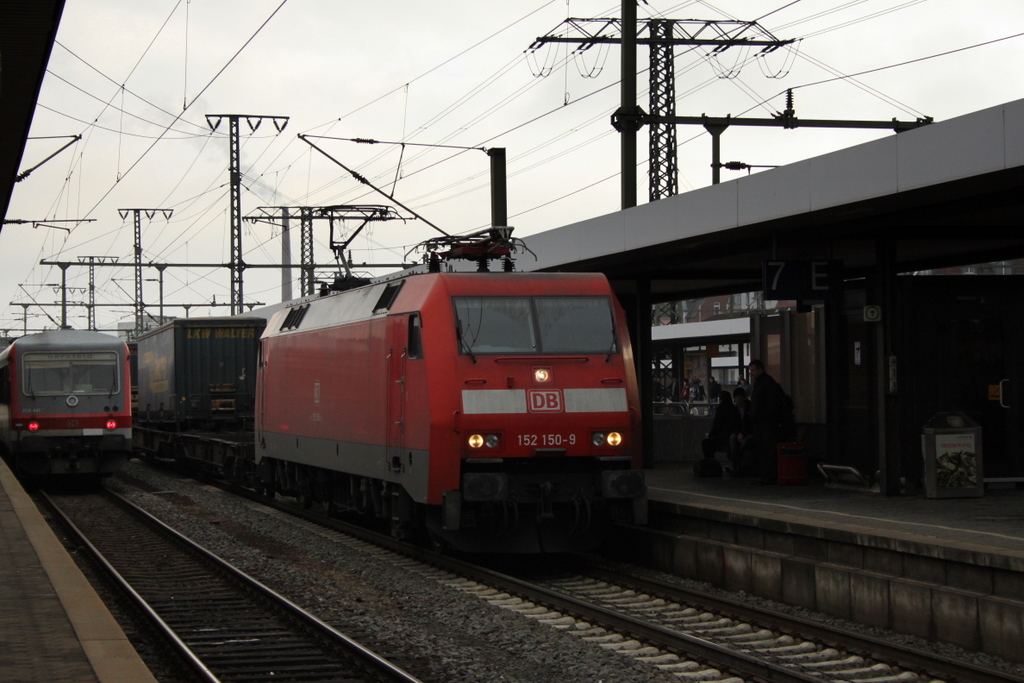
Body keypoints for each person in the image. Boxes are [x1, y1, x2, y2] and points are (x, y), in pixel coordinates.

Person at [747, 359, 786, 484]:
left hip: (766, 423)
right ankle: (766, 475)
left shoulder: (766, 383)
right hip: (761, 423)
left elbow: (770, 405)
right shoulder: (762, 383)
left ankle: (769, 476)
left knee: (767, 450)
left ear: (760, 369)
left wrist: (759, 416)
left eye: (753, 370)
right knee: (763, 450)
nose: (751, 373)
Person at [700, 390, 741, 460]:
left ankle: (710, 462)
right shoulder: (734, 408)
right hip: (732, 435)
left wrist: (710, 435)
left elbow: (716, 425)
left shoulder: (721, 409)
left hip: (723, 437)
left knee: (706, 443)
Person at [727, 387, 756, 475]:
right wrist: (739, 432)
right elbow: (734, 424)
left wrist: (742, 433)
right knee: (732, 438)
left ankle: (739, 465)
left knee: (745, 442)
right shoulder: (734, 410)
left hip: (750, 432)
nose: (738, 399)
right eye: (736, 397)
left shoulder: (750, 407)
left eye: (740, 397)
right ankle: (735, 464)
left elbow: (751, 423)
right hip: (739, 432)